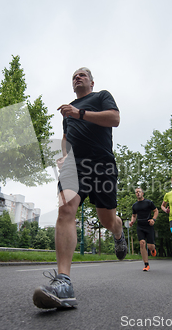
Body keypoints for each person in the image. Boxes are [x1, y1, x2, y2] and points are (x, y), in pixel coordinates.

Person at [33, 67, 126, 309]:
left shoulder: (101, 97)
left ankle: (118, 232)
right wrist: (63, 155)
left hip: (102, 163)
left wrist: (79, 113)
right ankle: (64, 283)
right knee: (66, 210)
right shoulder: (67, 112)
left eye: (82, 75)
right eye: (74, 76)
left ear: (92, 82)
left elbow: (115, 119)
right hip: (75, 165)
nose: (77, 77)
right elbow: (66, 137)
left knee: (107, 219)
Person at [130, 187, 159, 271]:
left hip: (148, 225)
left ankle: (153, 249)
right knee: (142, 243)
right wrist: (132, 221)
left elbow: (156, 211)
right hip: (140, 226)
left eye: (139, 192)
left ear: (142, 193)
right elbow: (134, 215)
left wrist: (153, 219)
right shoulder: (135, 205)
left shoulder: (149, 202)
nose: (137, 193)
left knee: (150, 246)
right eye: (136, 192)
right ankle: (146, 264)